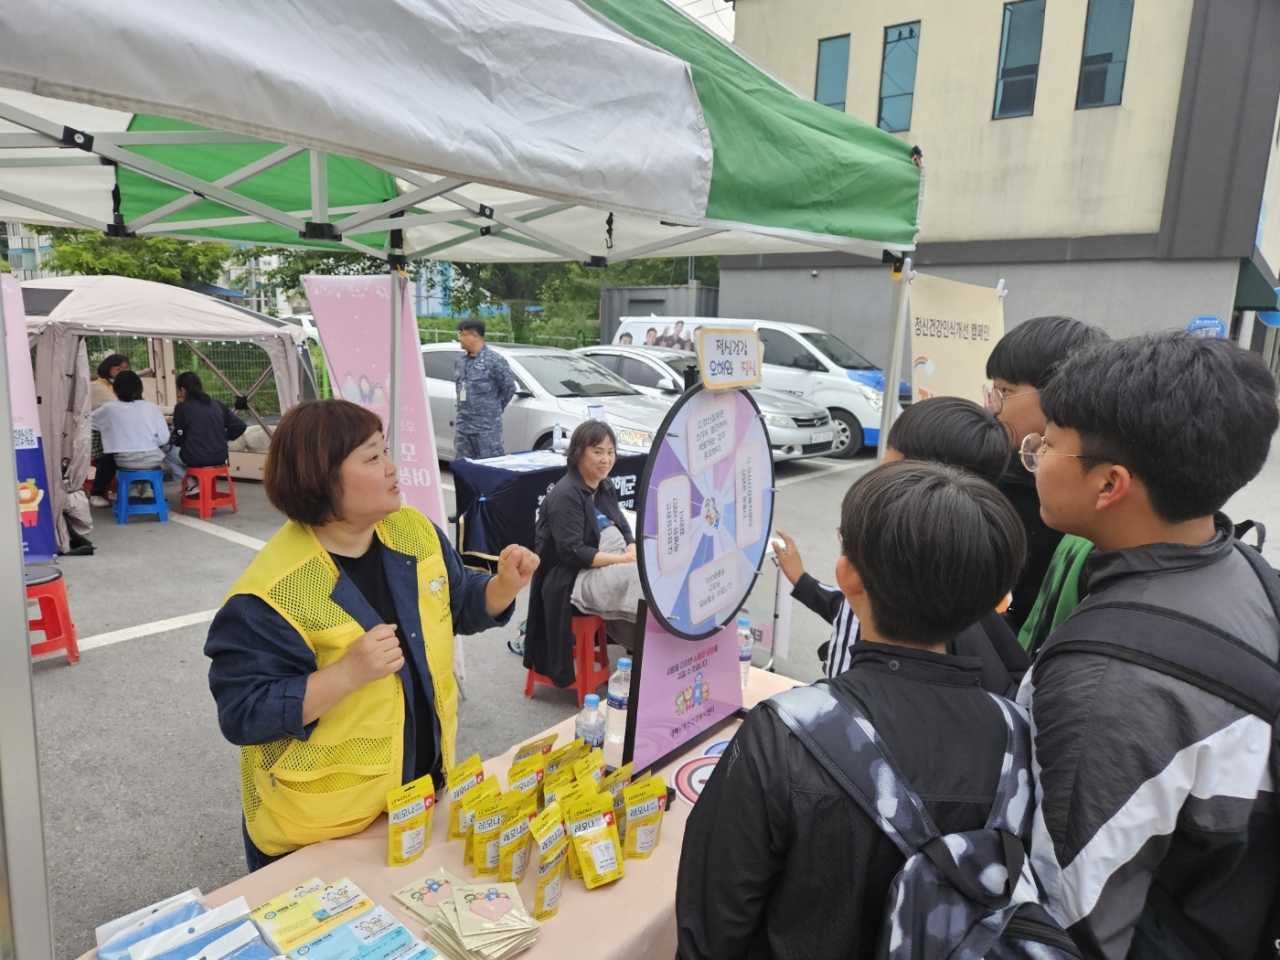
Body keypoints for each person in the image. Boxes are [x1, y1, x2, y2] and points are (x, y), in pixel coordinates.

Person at [677, 461, 1027, 960]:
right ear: (996, 600)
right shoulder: (1019, 733)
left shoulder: (783, 733)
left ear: (847, 575)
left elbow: (711, 929)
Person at [1018, 333, 1279, 959]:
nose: (1035, 453)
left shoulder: (1110, 680)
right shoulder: (1251, 575)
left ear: (1110, 484)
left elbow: (1070, 918)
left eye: (1049, 442)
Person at [205, 399, 538, 871]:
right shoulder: (272, 592)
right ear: (321, 479)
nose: (391, 467)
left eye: (386, 451)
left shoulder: (412, 531)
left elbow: (457, 605)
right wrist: (345, 674)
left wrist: (502, 588)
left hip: (416, 798)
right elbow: (244, 713)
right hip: (318, 835)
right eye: (372, 457)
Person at [775, 396, 1028, 694]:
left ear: (912, 476)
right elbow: (854, 606)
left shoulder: (889, 556)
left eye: (889, 452)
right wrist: (803, 582)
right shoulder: (969, 575)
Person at [984, 316, 1109, 630]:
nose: (992, 406)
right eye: (993, 389)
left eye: (1006, 391)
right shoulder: (996, 471)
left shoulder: (1084, 487)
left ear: (1059, 396)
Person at [524, 420, 641, 687]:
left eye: (610, 452)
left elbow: (622, 524)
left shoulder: (604, 485)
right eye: (598, 451)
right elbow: (573, 552)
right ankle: (646, 644)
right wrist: (623, 559)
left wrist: (631, 546)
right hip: (570, 576)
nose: (606, 459)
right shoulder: (566, 494)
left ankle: (645, 644)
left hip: (604, 560)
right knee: (636, 577)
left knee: (650, 565)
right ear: (578, 452)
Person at [88, 371, 169, 507]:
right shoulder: (152, 408)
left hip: (123, 461)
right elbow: (164, 438)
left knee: (107, 457)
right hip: (151, 461)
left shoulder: (108, 409)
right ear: (140, 389)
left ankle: (97, 493)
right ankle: (145, 487)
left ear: (115, 389)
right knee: (151, 452)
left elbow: (88, 422)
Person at [163, 371, 247, 492]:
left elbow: (180, 437)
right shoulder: (218, 404)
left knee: (166, 450)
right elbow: (240, 426)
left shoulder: (182, 408)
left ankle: (189, 483)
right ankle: (196, 481)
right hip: (220, 457)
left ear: (182, 390)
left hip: (195, 457)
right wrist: (222, 437)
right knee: (189, 450)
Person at [453, 318, 517, 460]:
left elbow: (509, 388)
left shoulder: (494, 360)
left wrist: (492, 410)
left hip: (486, 430)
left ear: (474, 335)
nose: (460, 339)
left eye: (462, 335)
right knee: (462, 468)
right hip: (464, 427)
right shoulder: (461, 361)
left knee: (490, 468)